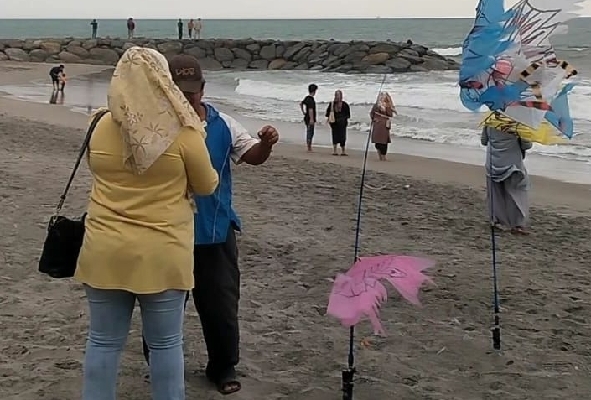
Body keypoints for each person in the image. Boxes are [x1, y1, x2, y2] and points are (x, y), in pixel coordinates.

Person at [74, 47, 219, 400]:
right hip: (162, 251)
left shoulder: (98, 124)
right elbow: (206, 185)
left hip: (104, 247)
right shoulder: (183, 131)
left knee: (103, 342)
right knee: (166, 345)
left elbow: (96, 167)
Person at [141, 54, 279, 395]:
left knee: (220, 305)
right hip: (165, 232)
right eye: (178, 91)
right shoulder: (151, 128)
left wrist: (267, 144)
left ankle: (222, 366)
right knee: (160, 304)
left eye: (192, 91)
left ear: (202, 89)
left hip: (214, 233)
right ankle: (157, 360)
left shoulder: (223, 124)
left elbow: (251, 155)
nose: (187, 98)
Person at [481, 125, 531, 235]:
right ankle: (517, 224)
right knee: (516, 192)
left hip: (493, 162)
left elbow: (484, 141)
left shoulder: (490, 121)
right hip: (512, 163)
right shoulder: (518, 123)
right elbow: (527, 145)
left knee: (495, 193)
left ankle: (497, 221)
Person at [370, 91, 397, 161]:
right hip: (382, 124)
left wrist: (374, 119)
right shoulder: (384, 106)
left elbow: (371, 114)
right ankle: (383, 157)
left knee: (380, 141)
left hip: (381, 124)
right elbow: (390, 114)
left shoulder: (377, 105)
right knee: (382, 141)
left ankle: (381, 156)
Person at [325, 90, 351, 155]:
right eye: (336, 95)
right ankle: (335, 150)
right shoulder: (332, 104)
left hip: (342, 123)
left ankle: (343, 151)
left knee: (343, 137)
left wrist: (344, 120)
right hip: (334, 123)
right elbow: (327, 113)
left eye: (338, 95)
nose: (337, 97)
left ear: (341, 96)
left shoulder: (345, 104)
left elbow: (348, 115)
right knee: (335, 136)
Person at [300, 83, 318, 152]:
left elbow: (301, 103)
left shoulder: (306, 98)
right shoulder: (311, 100)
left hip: (306, 117)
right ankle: (309, 147)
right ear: (314, 91)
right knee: (310, 132)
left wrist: (303, 112)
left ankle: (309, 146)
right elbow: (311, 110)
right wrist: (312, 119)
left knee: (309, 131)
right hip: (310, 117)